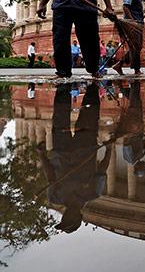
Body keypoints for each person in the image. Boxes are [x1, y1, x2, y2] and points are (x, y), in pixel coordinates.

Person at [36, 83, 111, 234]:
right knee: (90, 114)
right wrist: (109, 149)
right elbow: (102, 171)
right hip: (86, 147)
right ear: (79, 216)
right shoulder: (93, 193)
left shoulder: (55, 197)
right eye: (69, 219)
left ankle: (63, 86)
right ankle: (93, 86)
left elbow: (50, 175)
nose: (66, 215)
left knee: (60, 116)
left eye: (64, 219)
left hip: (61, 150)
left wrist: (42, 154)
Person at [112, 0, 145, 75]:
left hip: (137, 24)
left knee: (137, 46)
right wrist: (132, 21)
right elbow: (125, 6)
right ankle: (136, 69)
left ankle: (119, 65)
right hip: (133, 24)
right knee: (135, 46)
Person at [117, 81, 145, 177]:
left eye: (144, 167)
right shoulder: (139, 156)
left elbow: (126, 143)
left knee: (135, 103)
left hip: (133, 125)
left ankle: (133, 83)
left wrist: (132, 129)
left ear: (139, 167)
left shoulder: (130, 158)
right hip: (138, 126)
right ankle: (130, 86)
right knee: (136, 102)